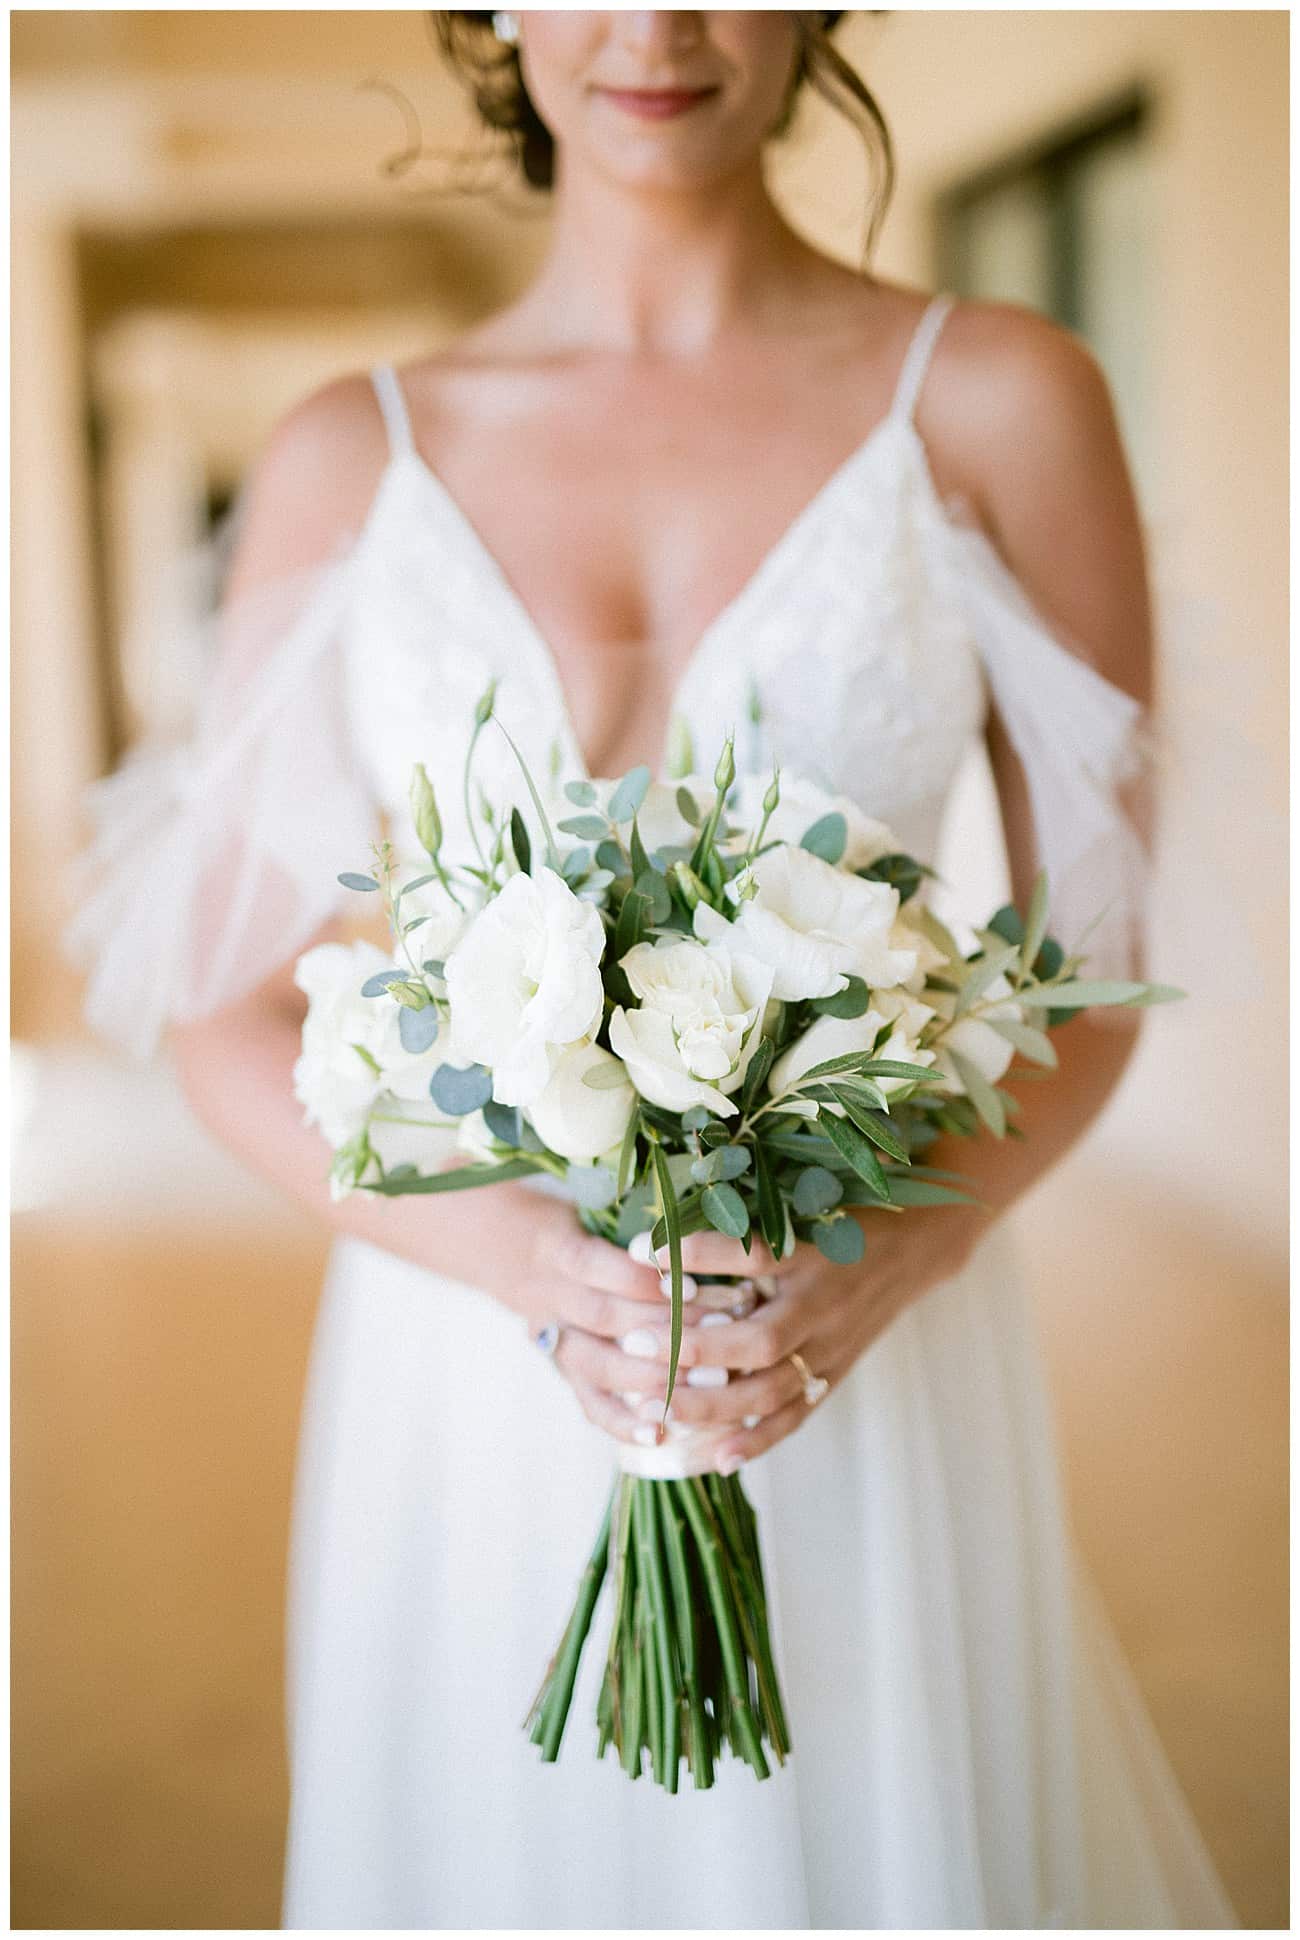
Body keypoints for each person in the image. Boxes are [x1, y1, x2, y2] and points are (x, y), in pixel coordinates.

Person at [70, 10, 1240, 1928]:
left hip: (850, 1322)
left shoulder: (999, 398)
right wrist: (530, 1272)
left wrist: (887, 1257)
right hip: (465, 1354)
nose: (657, 28)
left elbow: (1088, 965)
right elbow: (223, 1004)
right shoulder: (342, 455)